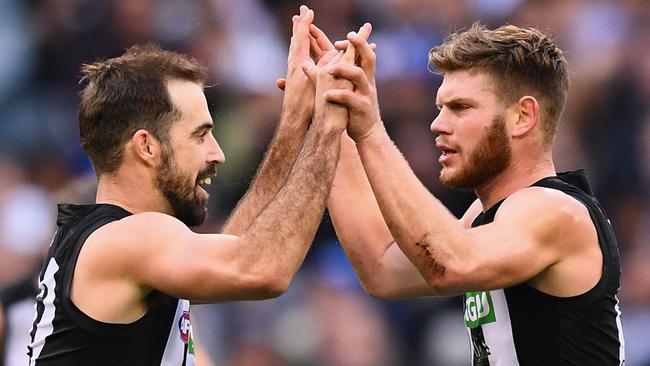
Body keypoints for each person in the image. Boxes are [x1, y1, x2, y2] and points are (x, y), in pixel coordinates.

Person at [27, 5, 359, 365]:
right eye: (200, 136)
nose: (217, 154)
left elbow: (239, 251)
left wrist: (294, 120)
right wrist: (328, 123)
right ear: (147, 147)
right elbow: (263, 270)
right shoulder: (128, 239)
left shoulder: (120, 241)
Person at [314, 23, 626, 365]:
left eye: (460, 108)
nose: (438, 124)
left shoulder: (555, 210)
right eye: (440, 107)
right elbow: (381, 268)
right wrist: (331, 121)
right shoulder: (484, 216)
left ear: (523, 116)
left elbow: (450, 265)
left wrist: (371, 129)